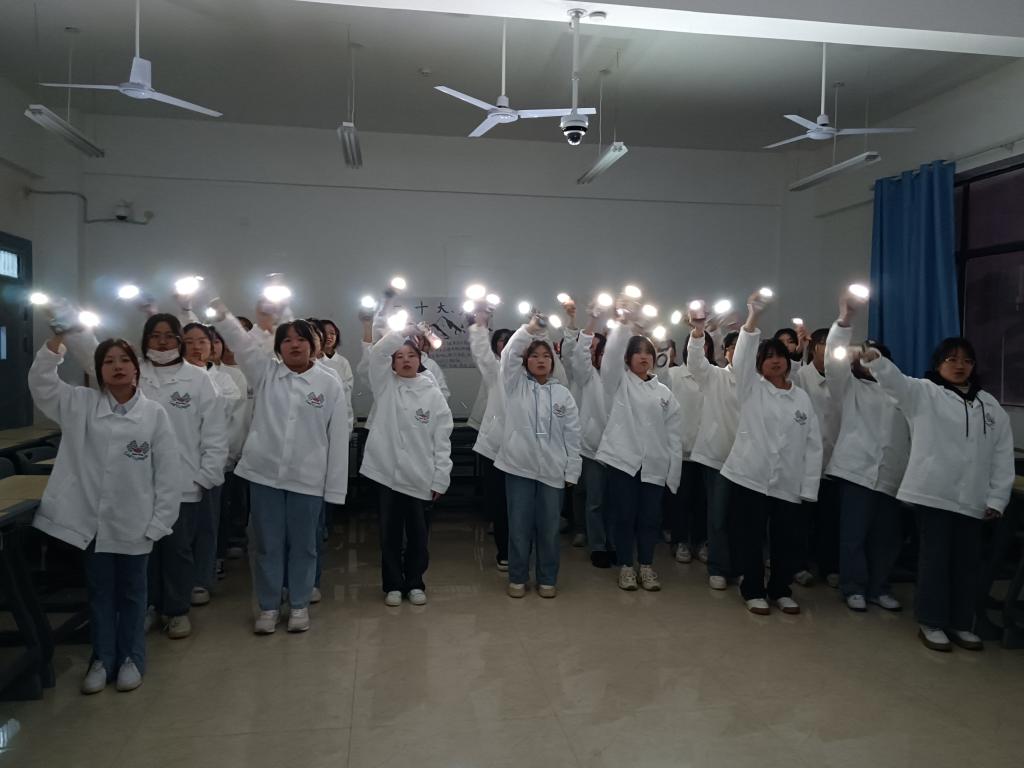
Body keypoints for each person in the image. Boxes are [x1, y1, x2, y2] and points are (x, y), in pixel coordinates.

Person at [28, 335, 181, 694]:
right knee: (100, 594)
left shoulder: (154, 414)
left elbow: (168, 473)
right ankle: (102, 659)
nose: (117, 367)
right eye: (108, 361)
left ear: (136, 368)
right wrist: (56, 343)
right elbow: (42, 384)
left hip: (136, 522)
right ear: (98, 371)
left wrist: (160, 521)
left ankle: (131, 659)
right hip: (93, 523)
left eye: (124, 360)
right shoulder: (80, 404)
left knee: (133, 594)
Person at [860, 337, 1014, 652]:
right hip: (934, 493)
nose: (959, 366)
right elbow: (895, 382)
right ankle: (931, 622)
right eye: (951, 359)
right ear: (938, 363)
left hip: (972, 498)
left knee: (966, 564)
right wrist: (875, 360)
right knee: (935, 560)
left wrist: (997, 498)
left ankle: (961, 622)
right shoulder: (924, 392)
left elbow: (1002, 455)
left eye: (966, 361)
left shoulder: (989, 405)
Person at [213, 305, 349, 635]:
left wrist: (334, 489)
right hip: (264, 475)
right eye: (286, 340)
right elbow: (241, 344)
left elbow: (337, 439)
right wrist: (220, 314)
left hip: (308, 479)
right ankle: (269, 605)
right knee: (266, 544)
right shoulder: (265, 374)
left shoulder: (328, 383)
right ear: (278, 347)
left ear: (313, 345)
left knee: (304, 544)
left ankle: (299, 603)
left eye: (301, 339)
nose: (294, 345)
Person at [718, 292, 822, 615]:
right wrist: (753, 318)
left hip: (787, 482)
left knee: (786, 540)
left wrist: (808, 488)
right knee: (749, 537)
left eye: (780, 356)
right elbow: (742, 359)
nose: (776, 361)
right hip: (750, 477)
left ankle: (780, 589)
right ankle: (753, 590)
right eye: (768, 357)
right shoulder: (750, 387)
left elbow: (813, 445)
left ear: (788, 361)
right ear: (760, 364)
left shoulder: (801, 398)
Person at [824, 292, 910, 613]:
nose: (870, 362)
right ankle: (854, 586)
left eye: (877, 358)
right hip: (856, 472)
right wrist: (845, 320)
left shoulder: (904, 393)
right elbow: (833, 364)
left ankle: (879, 587)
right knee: (854, 535)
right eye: (865, 357)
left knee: (887, 537)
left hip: (891, 475)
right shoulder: (850, 387)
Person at [360, 326, 453, 606]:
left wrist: (441, 477)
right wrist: (401, 331)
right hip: (387, 474)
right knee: (389, 534)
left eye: (411, 355)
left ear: (420, 359)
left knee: (418, 535)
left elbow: (442, 439)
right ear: (393, 363)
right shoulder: (385, 385)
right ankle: (392, 584)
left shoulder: (432, 393)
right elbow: (377, 354)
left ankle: (414, 582)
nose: (405, 360)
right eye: (399, 356)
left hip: (420, 475)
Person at [597, 302, 682, 592]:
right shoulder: (618, 383)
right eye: (638, 352)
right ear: (628, 357)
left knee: (649, 519)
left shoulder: (664, 393)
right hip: (624, 463)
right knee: (624, 516)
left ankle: (645, 565)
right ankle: (625, 566)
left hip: (654, 465)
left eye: (648, 352)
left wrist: (673, 472)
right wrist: (623, 324)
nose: (644, 357)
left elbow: (673, 435)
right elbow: (610, 360)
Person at [496, 315, 582, 598]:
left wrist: (572, 470)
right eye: (534, 356)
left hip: (552, 471)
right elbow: (509, 355)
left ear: (553, 362)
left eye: (546, 356)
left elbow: (573, 435)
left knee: (549, 528)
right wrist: (529, 330)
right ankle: (518, 577)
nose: (541, 360)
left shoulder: (562, 394)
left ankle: (547, 578)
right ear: (526, 361)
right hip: (518, 467)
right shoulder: (515, 384)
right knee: (519, 526)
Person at [181, 322, 240, 606]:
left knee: (206, 525)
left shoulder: (224, 379)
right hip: (175, 465)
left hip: (211, 463)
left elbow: (222, 410)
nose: (196, 347)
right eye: (189, 342)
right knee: (176, 531)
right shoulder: (172, 378)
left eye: (203, 342)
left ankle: (200, 580)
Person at [686, 328, 740, 590]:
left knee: (743, 517)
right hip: (718, 456)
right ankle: (718, 566)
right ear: (726, 352)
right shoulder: (716, 376)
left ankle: (740, 566)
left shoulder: (759, 383)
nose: (739, 351)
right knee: (717, 515)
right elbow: (696, 363)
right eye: (734, 347)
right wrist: (698, 332)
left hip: (748, 460)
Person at [793, 326, 841, 588]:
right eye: (824, 342)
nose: (830, 348)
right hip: (804, 460)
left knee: (829, 519)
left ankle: (829, 565)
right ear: (813, 348)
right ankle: (798, 564)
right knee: (801, 518)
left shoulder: (843, 378)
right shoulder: (802, 375)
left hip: (834, 459)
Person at [468, 312, 514, 571]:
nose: (506, 346)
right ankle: (504, 551)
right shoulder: (496, 372)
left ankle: (521, 550)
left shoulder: (529, 375)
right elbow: (482, 354)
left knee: (520, 505)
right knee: (500, 502)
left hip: (524, 449)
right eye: (502, 341)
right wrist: (479, 325)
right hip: (495, 448)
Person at [665, 332, 714, 565]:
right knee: (680, 500)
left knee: (703, 501)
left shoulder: (715, 375)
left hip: (706, 451)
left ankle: (701, 541)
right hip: (681, 450)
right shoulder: (674, 374)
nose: (701, 350)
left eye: (706, 346)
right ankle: (680, 540)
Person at [569, 303, 611, 567]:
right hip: (592, 448)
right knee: (593, 499)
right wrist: (592, 321)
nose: (597, 353)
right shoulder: (587, 376)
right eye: (593, 350)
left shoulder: (620, 378)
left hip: (618, 449)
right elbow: (579, 357)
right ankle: (597, 545)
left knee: (613, 501)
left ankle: (613, 541)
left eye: (602, 350)